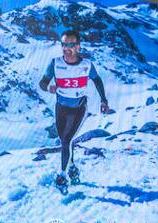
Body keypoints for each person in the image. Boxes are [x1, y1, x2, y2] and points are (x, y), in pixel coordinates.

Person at [38, 28, 110, 191]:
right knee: (66, 142)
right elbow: (42, 83)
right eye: (63, 44)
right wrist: (48, 87)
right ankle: (73, 169)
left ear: (78, 46)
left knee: (66, 141)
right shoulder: (55, 63)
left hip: (79, 108)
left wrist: (104, 100)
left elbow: (97, 80)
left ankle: (62, 176)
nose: (66, 48)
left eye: (70, 44)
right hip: (61, 108)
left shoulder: (86, 65)